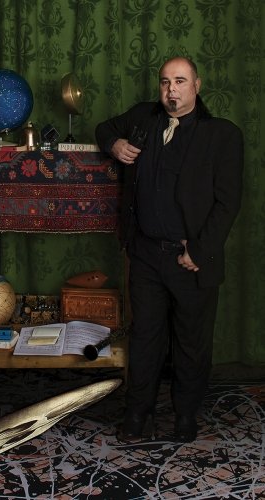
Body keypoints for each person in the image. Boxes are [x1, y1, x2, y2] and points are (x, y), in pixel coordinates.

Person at [95, 57, 243, 443]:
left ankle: (185, 415)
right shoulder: (143, 117)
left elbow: (228, 203)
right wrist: (115, 144)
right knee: (145, 337)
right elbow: (103, 128)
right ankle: (137, 413)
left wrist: (199, 251)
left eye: (179, 81)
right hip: (145, 253)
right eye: (165, 82)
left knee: (191, 342)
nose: (171, 89)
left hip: (190, 259)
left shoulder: (222, 135)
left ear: (197, 86)